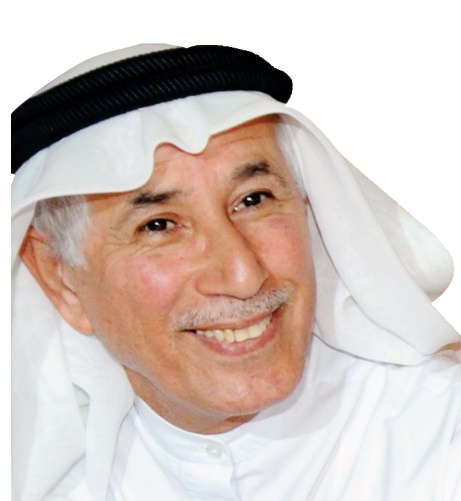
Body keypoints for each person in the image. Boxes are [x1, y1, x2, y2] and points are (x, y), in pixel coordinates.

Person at [11, 44, 460, 500]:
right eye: (159, 225)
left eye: (253, 199)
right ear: (59, 277)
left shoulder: (442, 436)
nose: (243, 275)